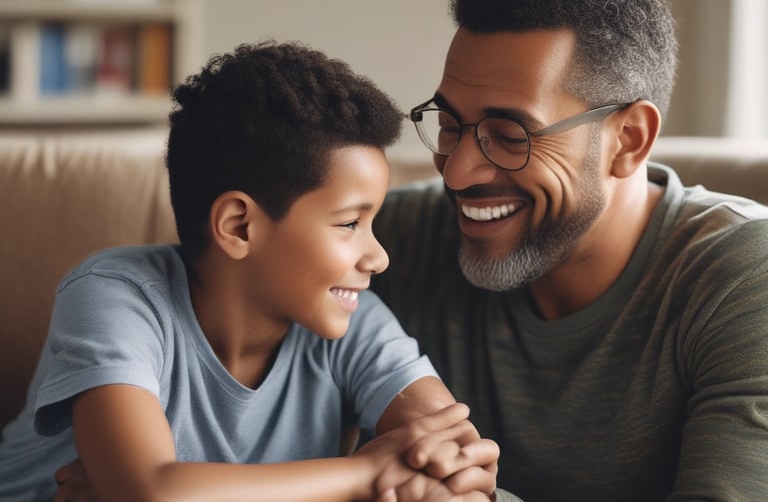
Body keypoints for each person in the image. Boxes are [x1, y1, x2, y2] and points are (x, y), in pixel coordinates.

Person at [0, 41, 499, 501]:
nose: (378, 257)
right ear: (239, 226)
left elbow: (453, 464)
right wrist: (362, 475)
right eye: (350, 223)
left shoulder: (353, 320)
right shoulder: (114, 297)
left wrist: (445, 470)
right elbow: (151, 491)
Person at [370, 0, 768, 501]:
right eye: (449, 125)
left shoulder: (746, 279)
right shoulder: (386, 241)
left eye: (511, 135)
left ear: (628, 140)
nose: (458, 172)